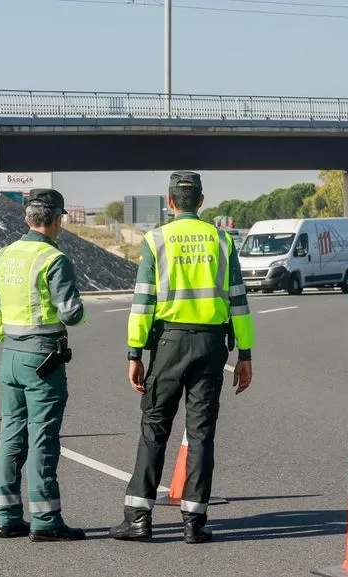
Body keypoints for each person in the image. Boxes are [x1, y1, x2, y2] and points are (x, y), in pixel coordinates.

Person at [110, 171, 255, 544]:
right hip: (210, 347)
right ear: (202, 201)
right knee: (202, 433)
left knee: (154, 428)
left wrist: (134, 352)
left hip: (168, 345)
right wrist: (245, 353)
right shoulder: (222, 240)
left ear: (170, 202)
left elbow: (143, 301)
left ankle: (139, 519)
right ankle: (194, 521)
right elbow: (238, 300)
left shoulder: (155, 240)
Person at [0, 188, 88, 542]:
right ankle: (45, 520)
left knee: (11, 435)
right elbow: (72, 314)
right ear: (57, 220)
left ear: (27, 218)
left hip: (11, 355)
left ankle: (8, 516)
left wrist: (6, 338)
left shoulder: (2, 256)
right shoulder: (54, 259)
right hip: (43, 358)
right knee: (43, 438)